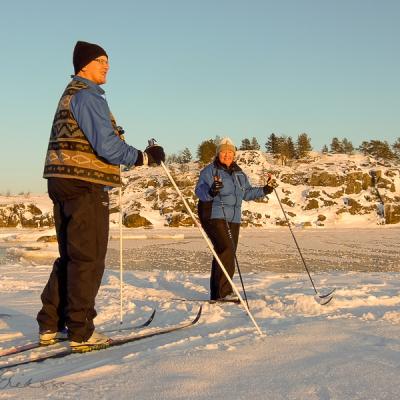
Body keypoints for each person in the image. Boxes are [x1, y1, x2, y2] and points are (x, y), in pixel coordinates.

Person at [37, 41, 165, 352]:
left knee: (70, 256)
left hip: (61, 180)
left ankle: (51, 323)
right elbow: (107, 146)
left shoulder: (70, 94)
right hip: (84, 184)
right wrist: (144, 158)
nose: (106, 66)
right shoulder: (88, 95)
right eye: (100, 61)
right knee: (88, 258)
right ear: (83, 65)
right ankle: (81, 331)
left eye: (107, 61)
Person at [195, 137, 276, 301]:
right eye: (224, 152)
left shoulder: (239, 173)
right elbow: (200, 191)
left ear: (234, 154)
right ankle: (224, 293)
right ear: (218, 154)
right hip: (214, 215)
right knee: (226, 250)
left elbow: (246, 193)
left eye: (230, 152)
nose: (227, 155)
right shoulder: (210, 171)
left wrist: (266, 189)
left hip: (234, 218)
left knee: (225, 253)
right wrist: (212, 191)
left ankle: (217, 293)